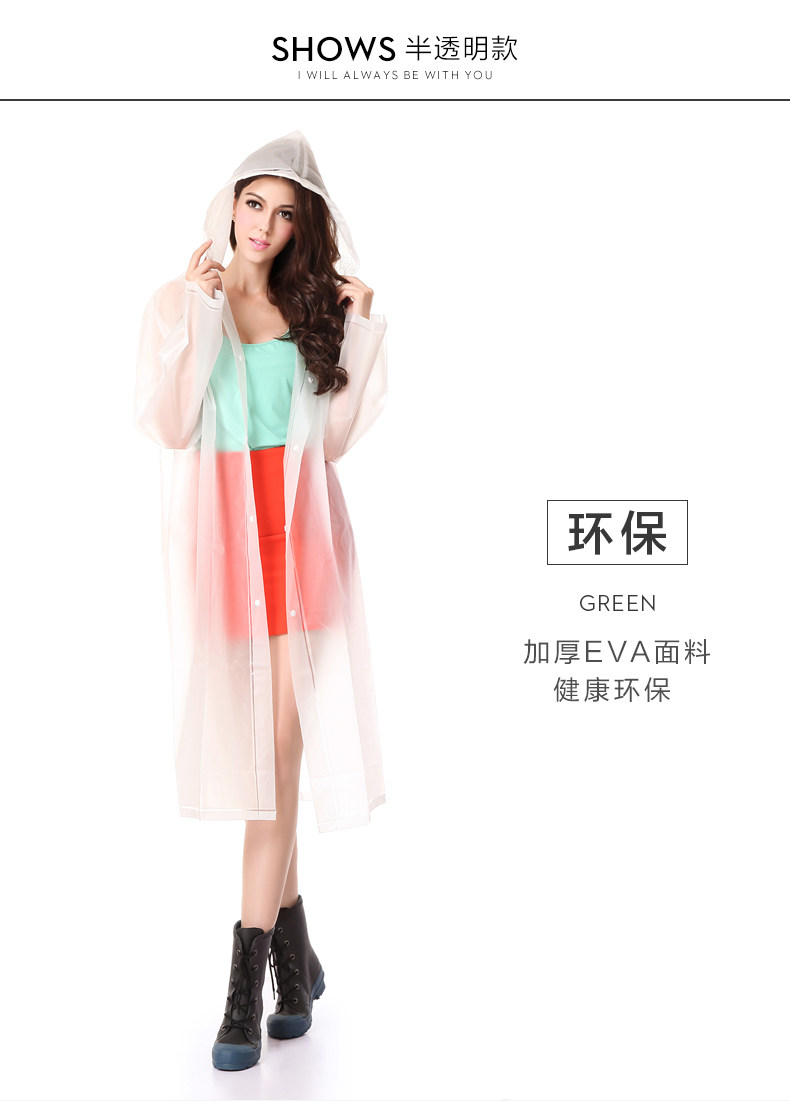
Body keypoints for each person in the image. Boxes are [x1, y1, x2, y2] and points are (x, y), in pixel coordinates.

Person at [133, 131, 388, 1071]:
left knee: (277, 757)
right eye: (255, 205)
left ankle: (244, 990)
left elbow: (338, 438)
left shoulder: (308, 305)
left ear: (300, 225)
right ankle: (298, 953)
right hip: (227, 542)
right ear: (232, 201)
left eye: (285, 214)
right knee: (262, 758)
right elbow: (169, 424)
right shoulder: (184, 300)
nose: (265, 227)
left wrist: (362, 326)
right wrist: (198, 315)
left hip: (304, 537)